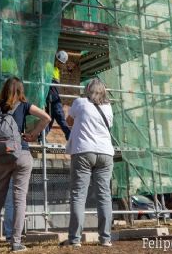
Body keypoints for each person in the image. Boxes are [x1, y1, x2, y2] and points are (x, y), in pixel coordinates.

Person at [0, 77, 51, 252]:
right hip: (21, 154)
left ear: (4, 90)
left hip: (2, 158)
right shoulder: (24, 105)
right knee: (19, 201)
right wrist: (33, 134)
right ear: (20, 91)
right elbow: (46, 118)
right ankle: (16, 243)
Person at [60, 78, 114, 248]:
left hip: (83, 151)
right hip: (105, 153)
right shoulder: (108, 107)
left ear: (88, 90)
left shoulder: (80, 102)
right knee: (104, 196)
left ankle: (75, 239)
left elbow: (68, 122)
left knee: (78, 194)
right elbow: (109, 127)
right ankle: (105, 239)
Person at [45, 50, 72, 141]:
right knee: (60, 116)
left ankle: (42, 138)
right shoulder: (49, 66)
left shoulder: (56, 70)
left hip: (55, 97)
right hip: (52, 97)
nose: (61, 65)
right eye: (60, 63)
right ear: (56, 60)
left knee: (50, 119)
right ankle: (69, 135)